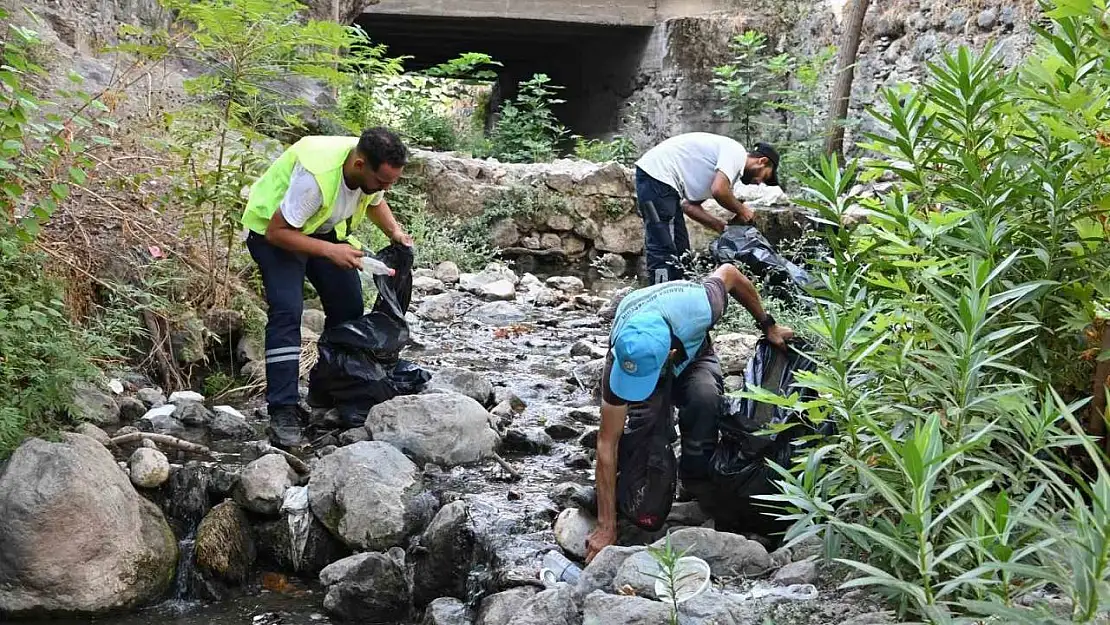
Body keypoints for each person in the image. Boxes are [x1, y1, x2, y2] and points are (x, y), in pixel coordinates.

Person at [584, 263, 794, 562]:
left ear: (669, 355)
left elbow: (730, 273)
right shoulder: (623, 357)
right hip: (647, 351)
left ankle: (695, 481)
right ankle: (625, 486)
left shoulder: (700, 305)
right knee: (645, 433)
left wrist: (768, 325)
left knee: (705, 399)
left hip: (694, 357)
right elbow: (607, 443)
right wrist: (606, 526)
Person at [240, 127, 413, 450]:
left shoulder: (370, 165)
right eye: (382, 181)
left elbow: (374, 201)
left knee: (348, 308)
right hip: (274, 234)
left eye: (391, 183)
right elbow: (279, 233)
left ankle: (325, 389)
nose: (385, 189)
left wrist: (396, 234)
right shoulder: (315, 179)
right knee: (287, 312)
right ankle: (283, 410)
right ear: (360, 166)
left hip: (320, 231)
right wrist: (332, 252)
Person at [634, 133, 781, 284]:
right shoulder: (736, 152)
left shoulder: (723, 172)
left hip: (668, 187)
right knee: (662, 246)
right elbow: (719, 191)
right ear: (762, 161)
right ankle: (660, 294)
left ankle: (679, 294)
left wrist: (720, 227)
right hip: (655, 177)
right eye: (765, 177)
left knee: (681, 249)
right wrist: (742, 210)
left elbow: (689, 206)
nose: (759, 183)